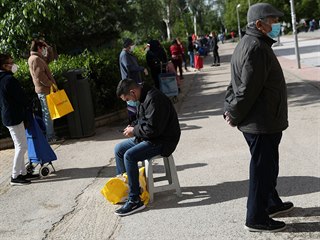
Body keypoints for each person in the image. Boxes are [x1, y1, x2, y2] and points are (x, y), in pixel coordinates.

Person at [223, 3, 294, 232]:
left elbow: (234, 85)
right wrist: (232, 113)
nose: (276, 25)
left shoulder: (250, 43)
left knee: (268, 166)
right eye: (272, 21)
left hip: (264, 121)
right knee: (262, 170)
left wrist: (229, 109)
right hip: (261, 123)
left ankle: (271, 203)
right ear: (259, 24)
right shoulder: (256, 47)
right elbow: (245, 89)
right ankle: (255, 218)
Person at [114, 78, 181, 216]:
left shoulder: (154, 99)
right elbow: (143, 120)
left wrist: (134, 131)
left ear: (132, 92)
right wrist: (133, 126)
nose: (128, 102)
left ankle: (135, 200)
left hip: (163, 140)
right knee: (119, 149)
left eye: (127, 99)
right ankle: (129, 188)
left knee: (130, 156)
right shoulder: (142, 96)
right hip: (148, 137)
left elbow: (153, 130)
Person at [0, 54, 39, 185]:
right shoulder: (8, 80)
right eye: (11, 62)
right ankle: (15, 176)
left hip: (10, 116)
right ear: (4, 66)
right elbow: (20, 97)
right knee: (21, 146)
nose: (13, 64)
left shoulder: (3, 79)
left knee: (21, 145)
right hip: (13, 117)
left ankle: (22, 173)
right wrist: (29, 104)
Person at [28, 40, 58, 143]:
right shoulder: (35, 59)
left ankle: (51, 135)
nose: (44, 50)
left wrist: (49, 48)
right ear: (39, 48)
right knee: (48, 114)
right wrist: (51, 84)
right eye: (43, 48)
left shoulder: (38, 58)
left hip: (44, 89)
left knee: (49, 113)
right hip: (44, 90)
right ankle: (50, 137)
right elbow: (40, 76)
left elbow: (49, 59)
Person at [119, 38, 148, 124]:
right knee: (132, 105)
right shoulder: (124, 54)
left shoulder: (128, 54)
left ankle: (137, 123)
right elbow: (129, 67)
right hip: (129, 84)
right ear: (128, 45)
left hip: (133, 83)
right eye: (132, 45)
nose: (133, 46)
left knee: (135, 105)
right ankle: (133, 124)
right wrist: (142, 69)